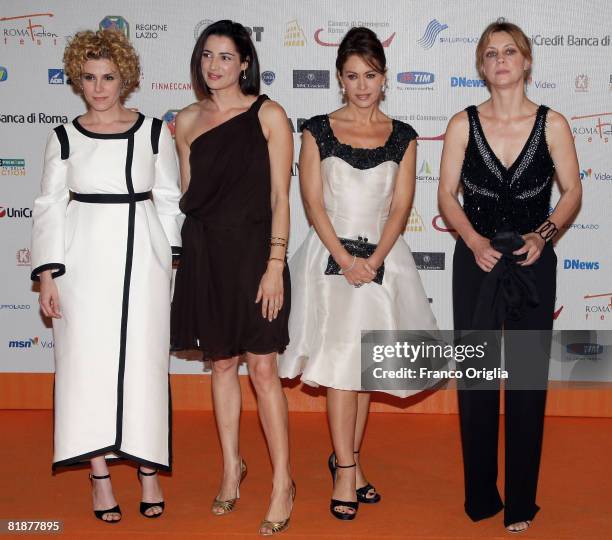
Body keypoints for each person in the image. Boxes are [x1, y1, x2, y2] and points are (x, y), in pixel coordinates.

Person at [277, 27, 438, 521]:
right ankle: (344, 468)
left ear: (384, 78)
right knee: (341, 368)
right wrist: (345, 260)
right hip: (328, 263)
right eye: (352, 76)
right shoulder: (317, 129)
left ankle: (351, 462)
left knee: (366, 370)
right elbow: (310, 201)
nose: (362, 85)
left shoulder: (404, 136)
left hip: (382, 261)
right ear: (339, 80)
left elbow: (401, 207)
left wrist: (373, 260)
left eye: (370, 75)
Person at [31, 29, 183, 522]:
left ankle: (146, 468)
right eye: (90, 78)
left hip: (144, 264)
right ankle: (99, 474)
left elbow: (167, 199)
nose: (99, 88)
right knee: (83, 367)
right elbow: (49, 206)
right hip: (81, 265)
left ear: (126, 79)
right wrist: (49, 275)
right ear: (78, 80)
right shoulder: (64, 138)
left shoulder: (155, 133)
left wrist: (167, 259)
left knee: (143, 364)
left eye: (109, 77)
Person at [438, 20, 581, 534]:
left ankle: (521, 502)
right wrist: (473, 241)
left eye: (509, 51)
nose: (500, 59)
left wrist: (543, 235)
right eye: (491, 53)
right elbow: (445, 197)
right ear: (481, 66)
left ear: (525, 62)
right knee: (476, 384)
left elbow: (571, 194)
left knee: (525, 384)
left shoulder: (554, 124)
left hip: (531, 262)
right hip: (475, 261)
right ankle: (481, 496)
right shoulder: (461, 124)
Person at [170, 20, 294, 536]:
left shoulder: (269, 114)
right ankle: (230, 469)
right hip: (207, 256)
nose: (214, 66)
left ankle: (283, 481)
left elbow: (281, 198)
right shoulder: (186, 120)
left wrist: (274, 265)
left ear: (245, 62)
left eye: (225, 56)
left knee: (263, 371)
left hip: (256, 257)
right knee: (221, 367)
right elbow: (188, 194)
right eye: (207, 55)